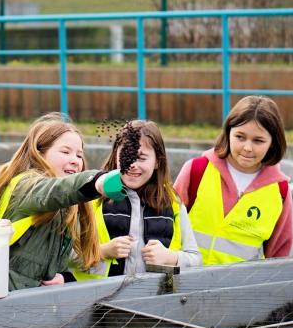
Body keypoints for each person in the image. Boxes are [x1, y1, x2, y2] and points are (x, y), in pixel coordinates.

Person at [0, 112, 126, 291]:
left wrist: (59, 276)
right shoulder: (26, 185)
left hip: (34, 299)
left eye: (79, 155)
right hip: (2, 297)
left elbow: (61, 255)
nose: (75, 161)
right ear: (39, 153)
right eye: (65, 152)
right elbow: (55, 191)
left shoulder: (67, 207)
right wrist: (96, 181)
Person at [69, 120, 202, 281]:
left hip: (154, 300)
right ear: (115, 156)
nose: (132, 165)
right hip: (99, 300)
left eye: (141, 158)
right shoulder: (92, 198)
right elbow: (65, 257)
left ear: (157, 162)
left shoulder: (173, 203)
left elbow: (195, 260)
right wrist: (102, 251)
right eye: (126, 156)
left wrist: (171, 258)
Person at [174, 95, 293, 265]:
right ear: (228, 132)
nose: (247, 148)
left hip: (243, 289)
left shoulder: (280, 190)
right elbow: (167, 225)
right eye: (240, 137)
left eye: (258, 140)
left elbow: (279, 255)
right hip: (185, 283)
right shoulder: (196, 170)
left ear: (273, 143)